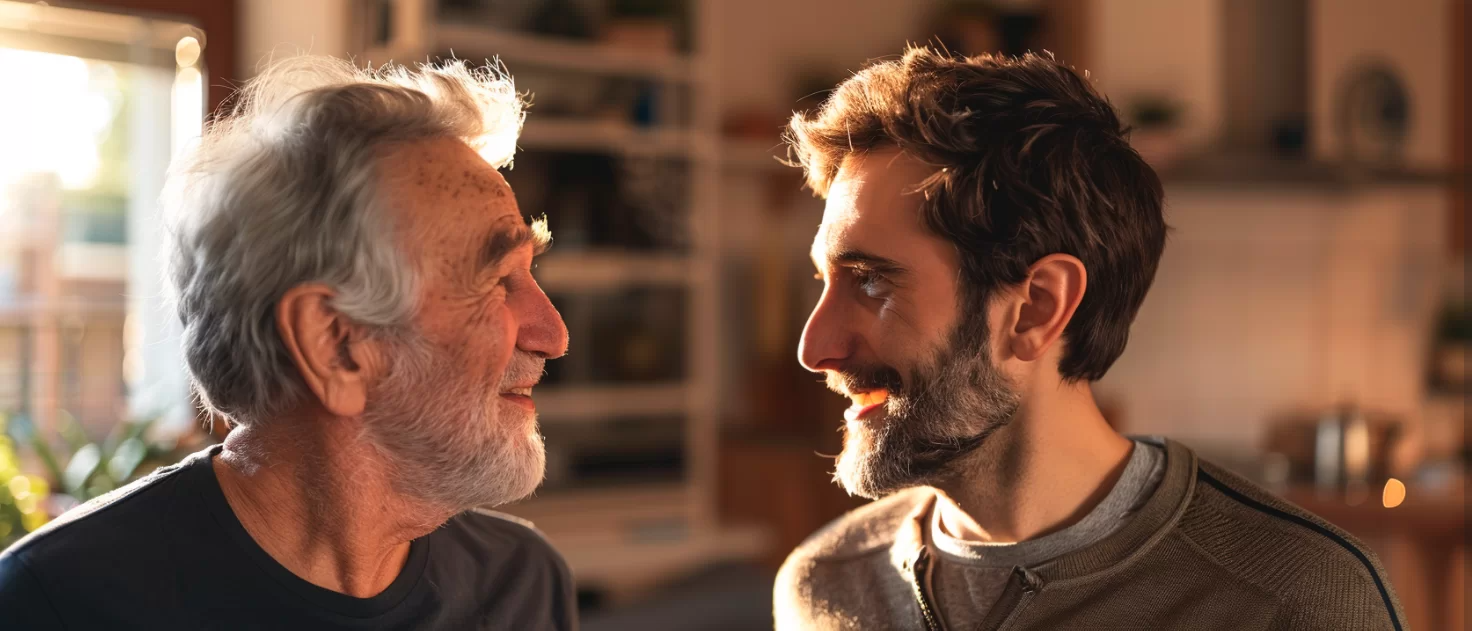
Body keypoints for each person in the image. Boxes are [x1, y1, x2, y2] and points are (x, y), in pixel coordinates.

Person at [775, 47, 1406, 631]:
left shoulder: (1295, 600)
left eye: (871, 282)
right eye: (823, 281)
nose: (814, 347)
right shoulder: (827, 587)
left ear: (1036, 309)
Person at [0, 56, 576, 630]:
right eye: (498, 281)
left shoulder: (523, 586)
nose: (553, 336)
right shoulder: (54, 603)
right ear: (335, 345)